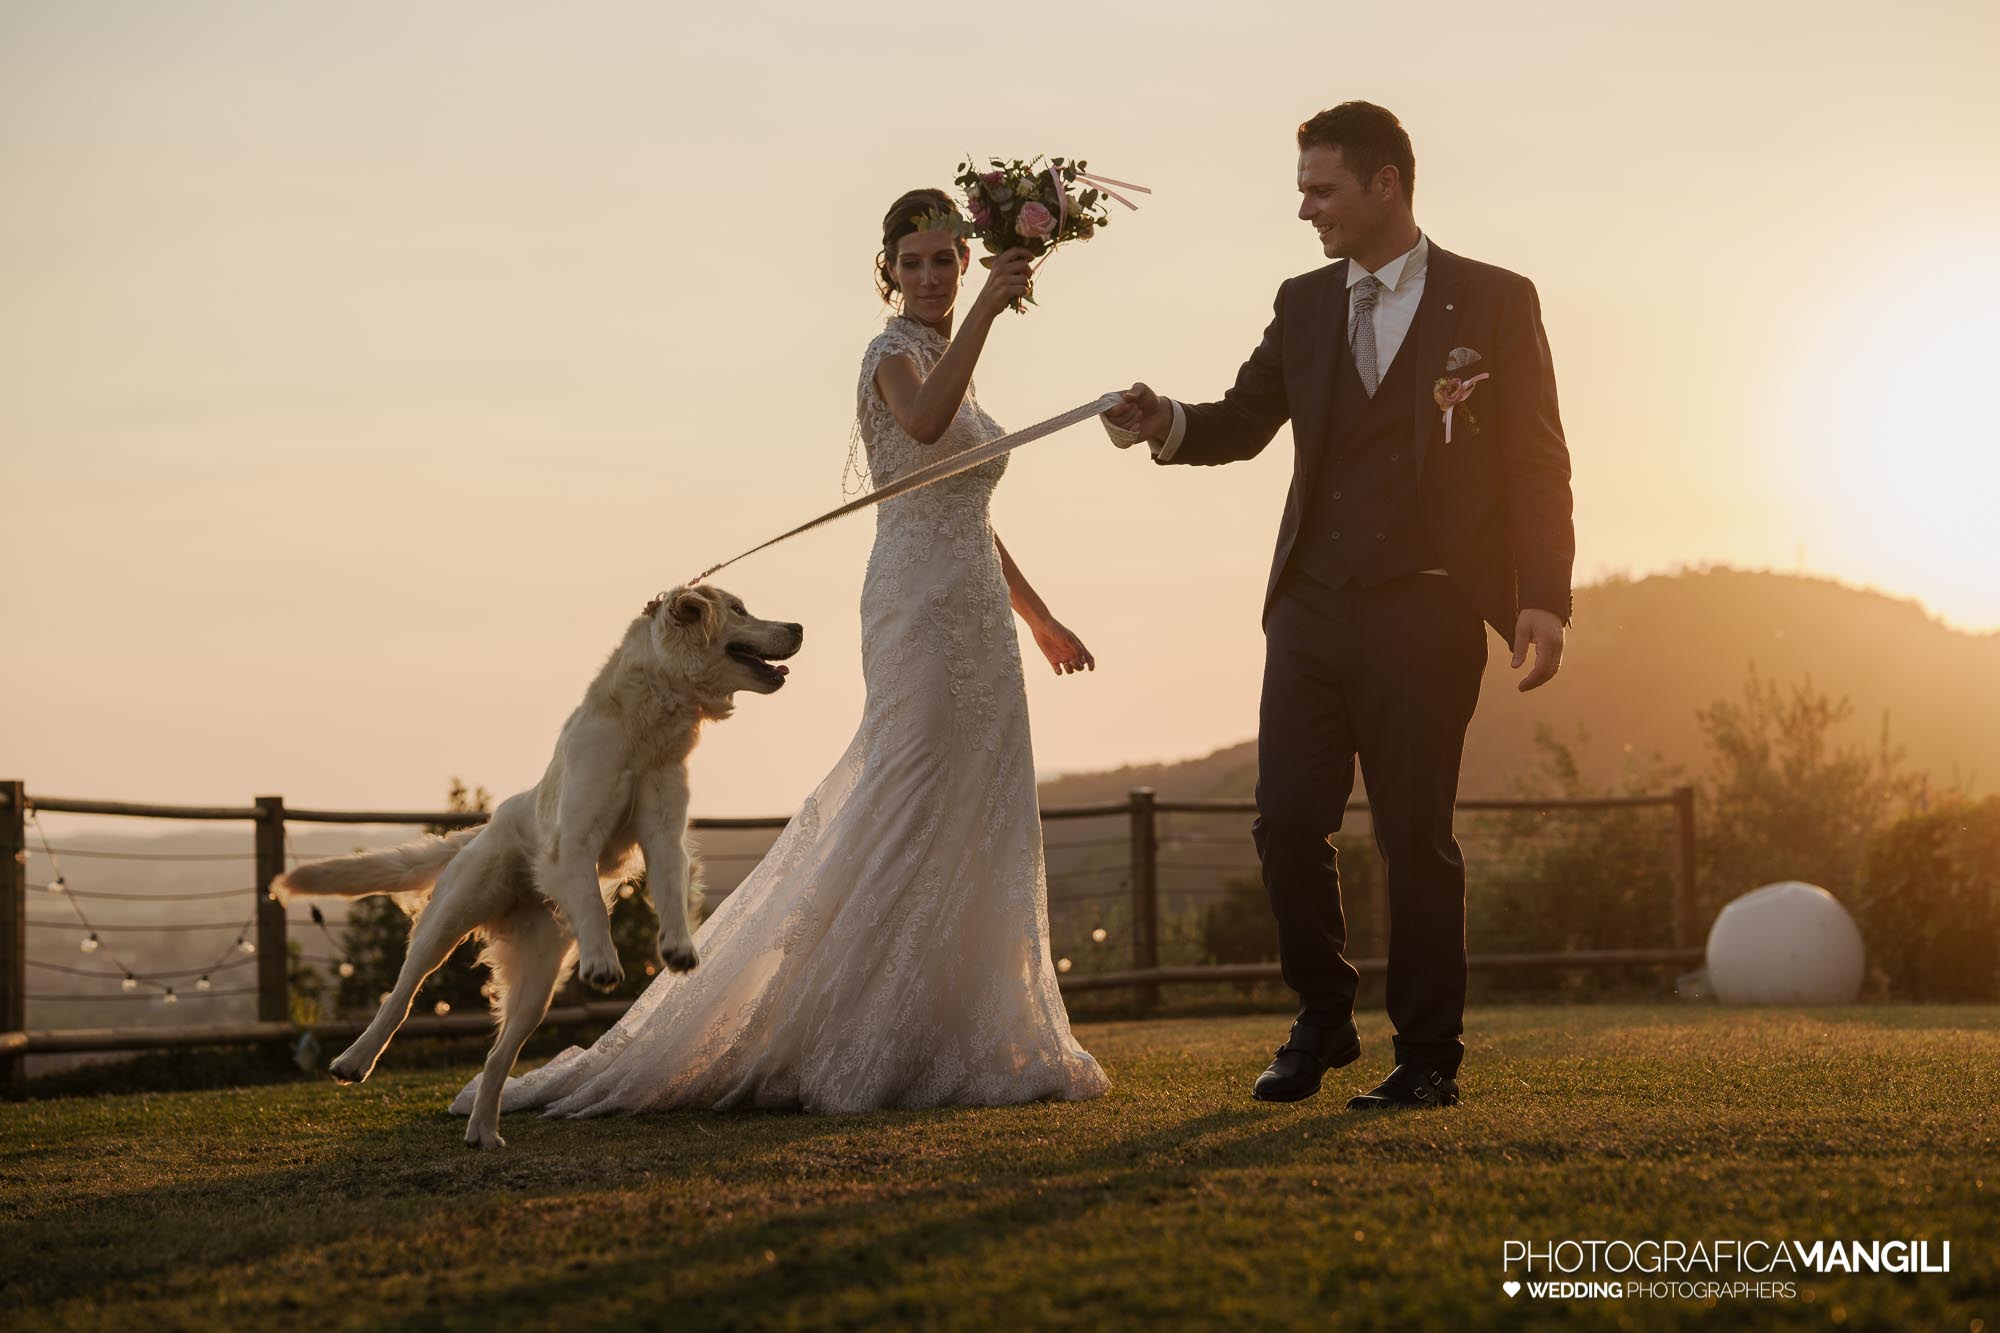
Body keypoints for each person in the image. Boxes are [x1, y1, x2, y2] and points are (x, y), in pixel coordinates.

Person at [452, 187, 1107, 1119]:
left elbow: (968, 504)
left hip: (977, 612)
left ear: (967, 262)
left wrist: (1039, 619)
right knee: (907, 787)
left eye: (944, 260)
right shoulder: (892, 358)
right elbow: (924, 428)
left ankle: (949, 1023)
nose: (929, 275)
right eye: (912, 261)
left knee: (979, 799)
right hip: (916, 606)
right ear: (889, 272)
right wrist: (993, 315)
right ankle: (838, 1025)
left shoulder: (947, 353)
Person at [1103, 102, 1575, 1110]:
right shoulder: (1303, 302)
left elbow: (1535, 454)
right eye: (1303, 188)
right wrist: (1164, 422)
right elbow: (1240, 418)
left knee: (1415, 839)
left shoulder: (1493, 299)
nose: (1304, 208)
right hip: (1311, 607)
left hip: (1430, 606)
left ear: (1384, 185)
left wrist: (1542, 596)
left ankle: (1426, 1057)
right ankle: (1321, 1018)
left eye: (1321, 188)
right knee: (1284, 821)